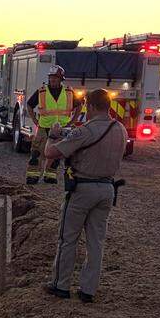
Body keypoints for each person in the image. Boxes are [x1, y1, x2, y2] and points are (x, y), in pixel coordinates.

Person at [41, 88, 127, 303]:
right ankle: (88, 290)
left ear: (90, 105)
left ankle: (60, 285)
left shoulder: (85, 131)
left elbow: (50, 153)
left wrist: (52, 136)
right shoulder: (120, 129)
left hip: (83, 189)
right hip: (107, 189)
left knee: (68, 238)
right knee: (96, 242)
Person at [26, 65, 80, 185]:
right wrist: (34, 120)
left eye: (55, 78)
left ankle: (50, 175)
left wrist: (73, 121)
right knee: (36, 153)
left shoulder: (69, 92)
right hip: (44, 127)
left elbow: (79, 105)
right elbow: (29, 105)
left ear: (61, 79)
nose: (52, 80)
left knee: (56, 155)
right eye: (51, 77)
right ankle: (32, 176)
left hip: (61, 129)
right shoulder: (41, 91)